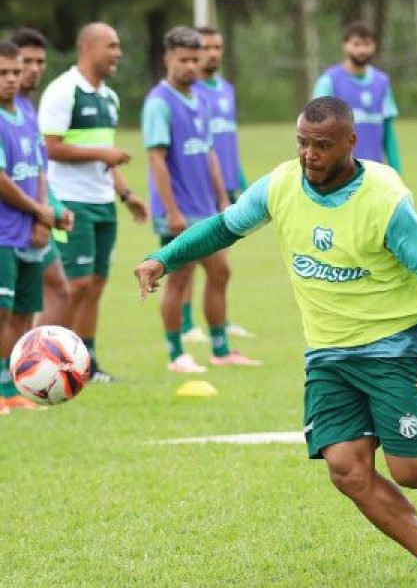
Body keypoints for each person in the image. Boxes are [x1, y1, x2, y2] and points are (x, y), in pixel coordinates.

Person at [134, 97, 417, 587]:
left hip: (392, 346)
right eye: (303, 143)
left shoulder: (384, 197)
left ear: (350, 143)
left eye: (322, 145)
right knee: (346, 470)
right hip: (327, 354)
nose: (310, 155)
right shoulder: (282, 184)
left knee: (414, 471)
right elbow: (225, 226)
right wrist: (162, 259)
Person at [141, 26, 258, 372]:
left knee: (220, 272)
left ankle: (220, 349)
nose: (192, 65)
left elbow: (209, 154)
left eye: (196, 58)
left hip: (207, 209)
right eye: (184, 59)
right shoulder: (159, 103)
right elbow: (156, 159)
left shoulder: (201, 100)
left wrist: (223, 199)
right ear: (168, 59)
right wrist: (172, 211)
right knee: (179, 278)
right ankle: (177, 354)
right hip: (178, 212)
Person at [38, 22, 148, 382]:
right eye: (111, 46)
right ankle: (47, 361)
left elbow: (107, 159)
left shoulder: (109, 98)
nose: (118, 53)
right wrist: (103, 152)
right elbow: (50, 148)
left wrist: (126, 195)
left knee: (96, 284)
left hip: (103, 203)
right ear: (88, 48)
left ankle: (87, 361)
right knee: (74, 285)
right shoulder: (63, 91)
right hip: (71, 203)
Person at [177, 24, 254, 344]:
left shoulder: (226, 89)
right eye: (206, 47)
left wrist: (242, 182)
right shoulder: (191, 92)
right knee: (191, 260)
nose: (212, 54)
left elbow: (227, 141)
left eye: (217, 47)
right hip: (198, 186)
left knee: (220, 262)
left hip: (227, 184)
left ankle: (220, 319)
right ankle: (185, 324)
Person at [0, 41, 56, 412]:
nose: (10, 80)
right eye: (2, 73)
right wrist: (37, 208)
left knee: (24, 311)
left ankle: (12, 388)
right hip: (3, 234)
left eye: (15, 72)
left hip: (30, 230)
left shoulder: (27, 110)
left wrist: (42, 215)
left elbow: (37, 167)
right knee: (2, 312)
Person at [10, 28, 74, 328]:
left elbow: (36, 168)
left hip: (33, 219)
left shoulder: (26, 108)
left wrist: (54, 210)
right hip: (11, 226)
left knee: (59, 290)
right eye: (27, 62)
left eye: (40, 62)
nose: (33, 70)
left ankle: (34, 365)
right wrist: (42, 213)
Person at [312, 21, 402, 173]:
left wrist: (396, 171)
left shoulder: (382, 82)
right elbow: (316, 130)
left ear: (374, 46)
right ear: (345, 45)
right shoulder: (328, 81)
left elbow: (388, 131)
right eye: (356, 44)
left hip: (374, 172)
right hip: (337, 173)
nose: (362, 50)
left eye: (367, 44)